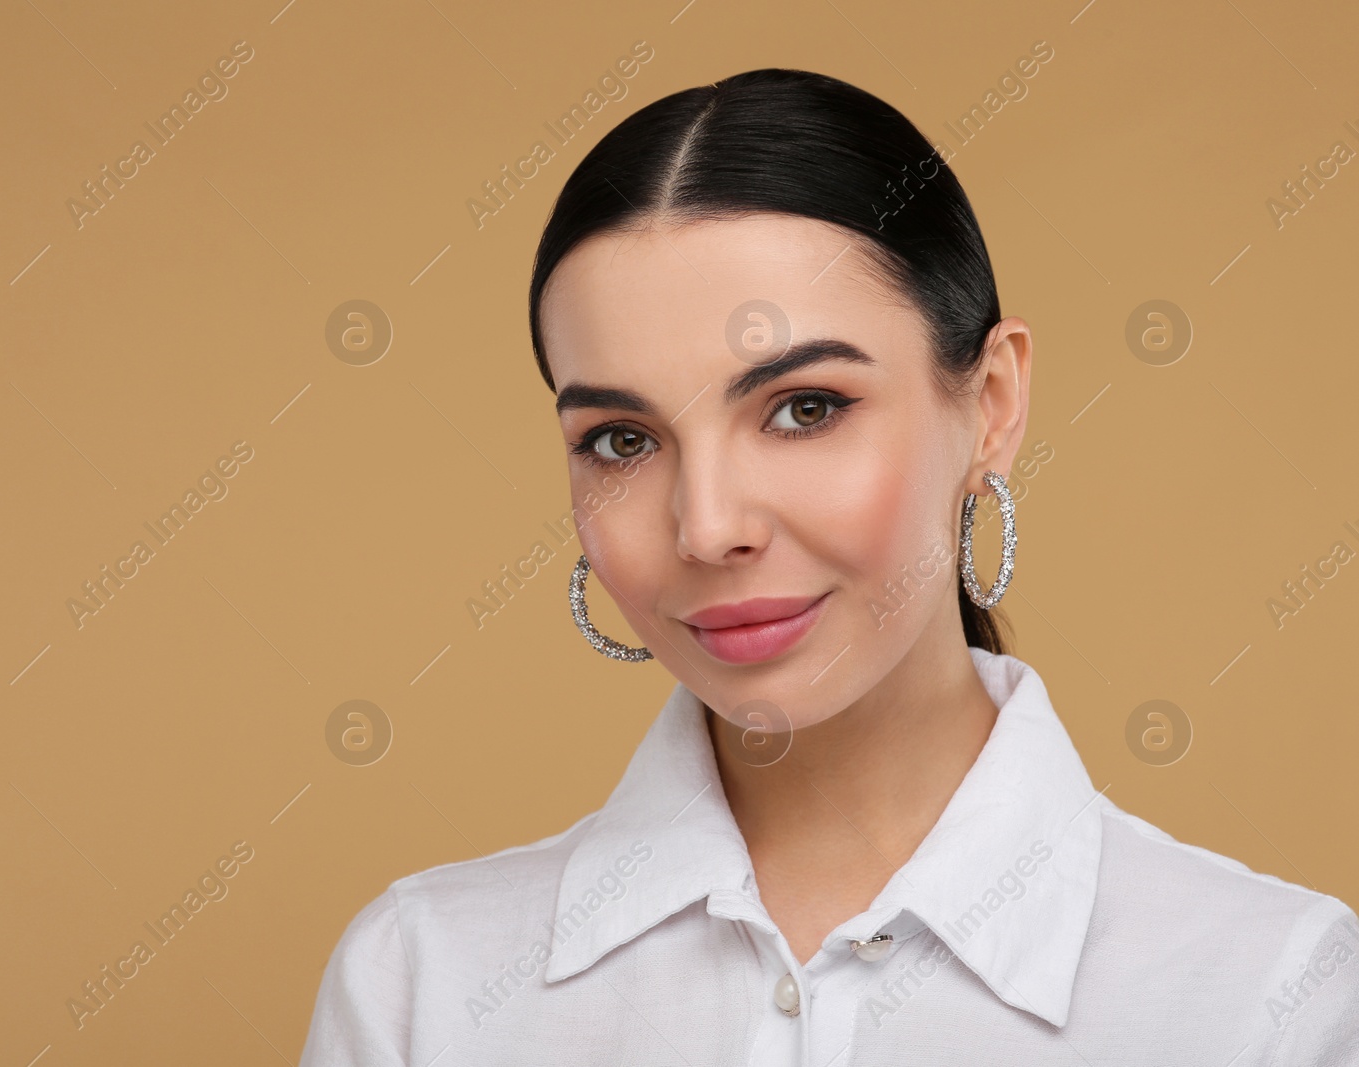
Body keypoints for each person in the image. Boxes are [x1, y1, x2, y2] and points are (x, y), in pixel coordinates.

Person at [299, 67, 1359, 1065]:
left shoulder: (1271, 993)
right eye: (622, 439)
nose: (708, 526)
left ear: (990, 405)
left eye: (805, 409)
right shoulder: (422, 987)